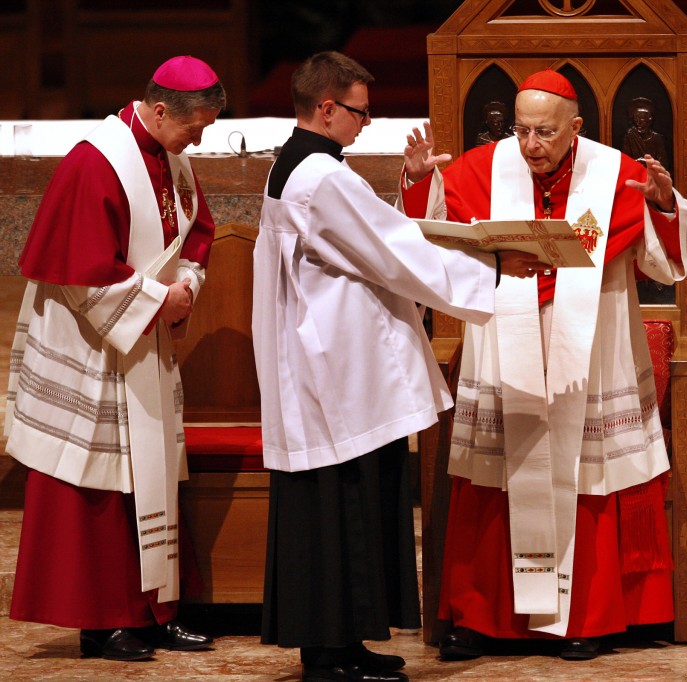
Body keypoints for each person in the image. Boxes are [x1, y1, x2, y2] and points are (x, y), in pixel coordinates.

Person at [251, 52, 543, 682]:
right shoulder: (323, 177)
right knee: (343, 502)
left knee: (344, 501)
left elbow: (366, 241)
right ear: (326, 107)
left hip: (327, 362)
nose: (366, 122)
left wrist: (407, 190)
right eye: (359, 110)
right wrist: (492, 268)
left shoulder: (295, 163)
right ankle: (332, 653)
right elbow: (393, 252)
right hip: (340, 370)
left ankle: (340, 645)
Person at [400, 69, 687, 660]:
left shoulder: (619, 173)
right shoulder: (482, 167)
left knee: (583, 476)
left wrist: (667, 204)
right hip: (504, 346)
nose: (530, 145)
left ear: (576, 128)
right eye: (521, 131)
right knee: (496, 478)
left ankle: (585, 620)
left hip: (590, 354)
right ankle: (481, 620)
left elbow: (671, 262)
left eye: (544, 132)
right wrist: (417, 183)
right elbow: (427, 237)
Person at [5, 56, 224, 661]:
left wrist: (185, 293)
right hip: (92, 347)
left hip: (142, 341)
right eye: (194, 127)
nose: (199, 140)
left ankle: (154, 610)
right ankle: (102, 622)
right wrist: (162, 302)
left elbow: (197, 235)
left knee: (149, 477)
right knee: (96, 486)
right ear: (158, 110)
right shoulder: (94, 161)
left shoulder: (172, 160)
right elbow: (82, 274)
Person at [621, 96, 667, 168]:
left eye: (642, 119)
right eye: (636, 118)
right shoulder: (630, 136)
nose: (638, 122)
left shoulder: (657, 138)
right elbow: (625, 160)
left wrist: (650, 164)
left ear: (649, 120)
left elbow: (663, 162)